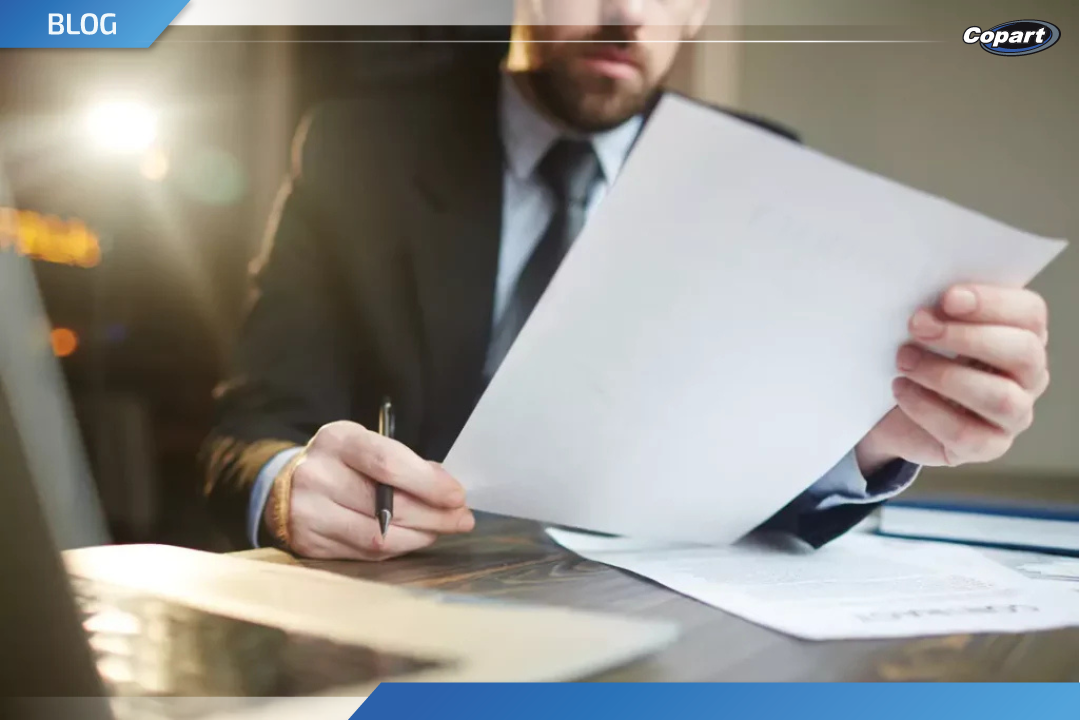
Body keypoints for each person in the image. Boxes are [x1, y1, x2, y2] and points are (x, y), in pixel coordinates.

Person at [202, 0, 1052, 559]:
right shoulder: (358, 148)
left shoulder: (763, 171)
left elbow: (752, 454)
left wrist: (878, 436)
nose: (627, 13)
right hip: (405, 607)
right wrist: (284, 487)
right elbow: (250, 424)